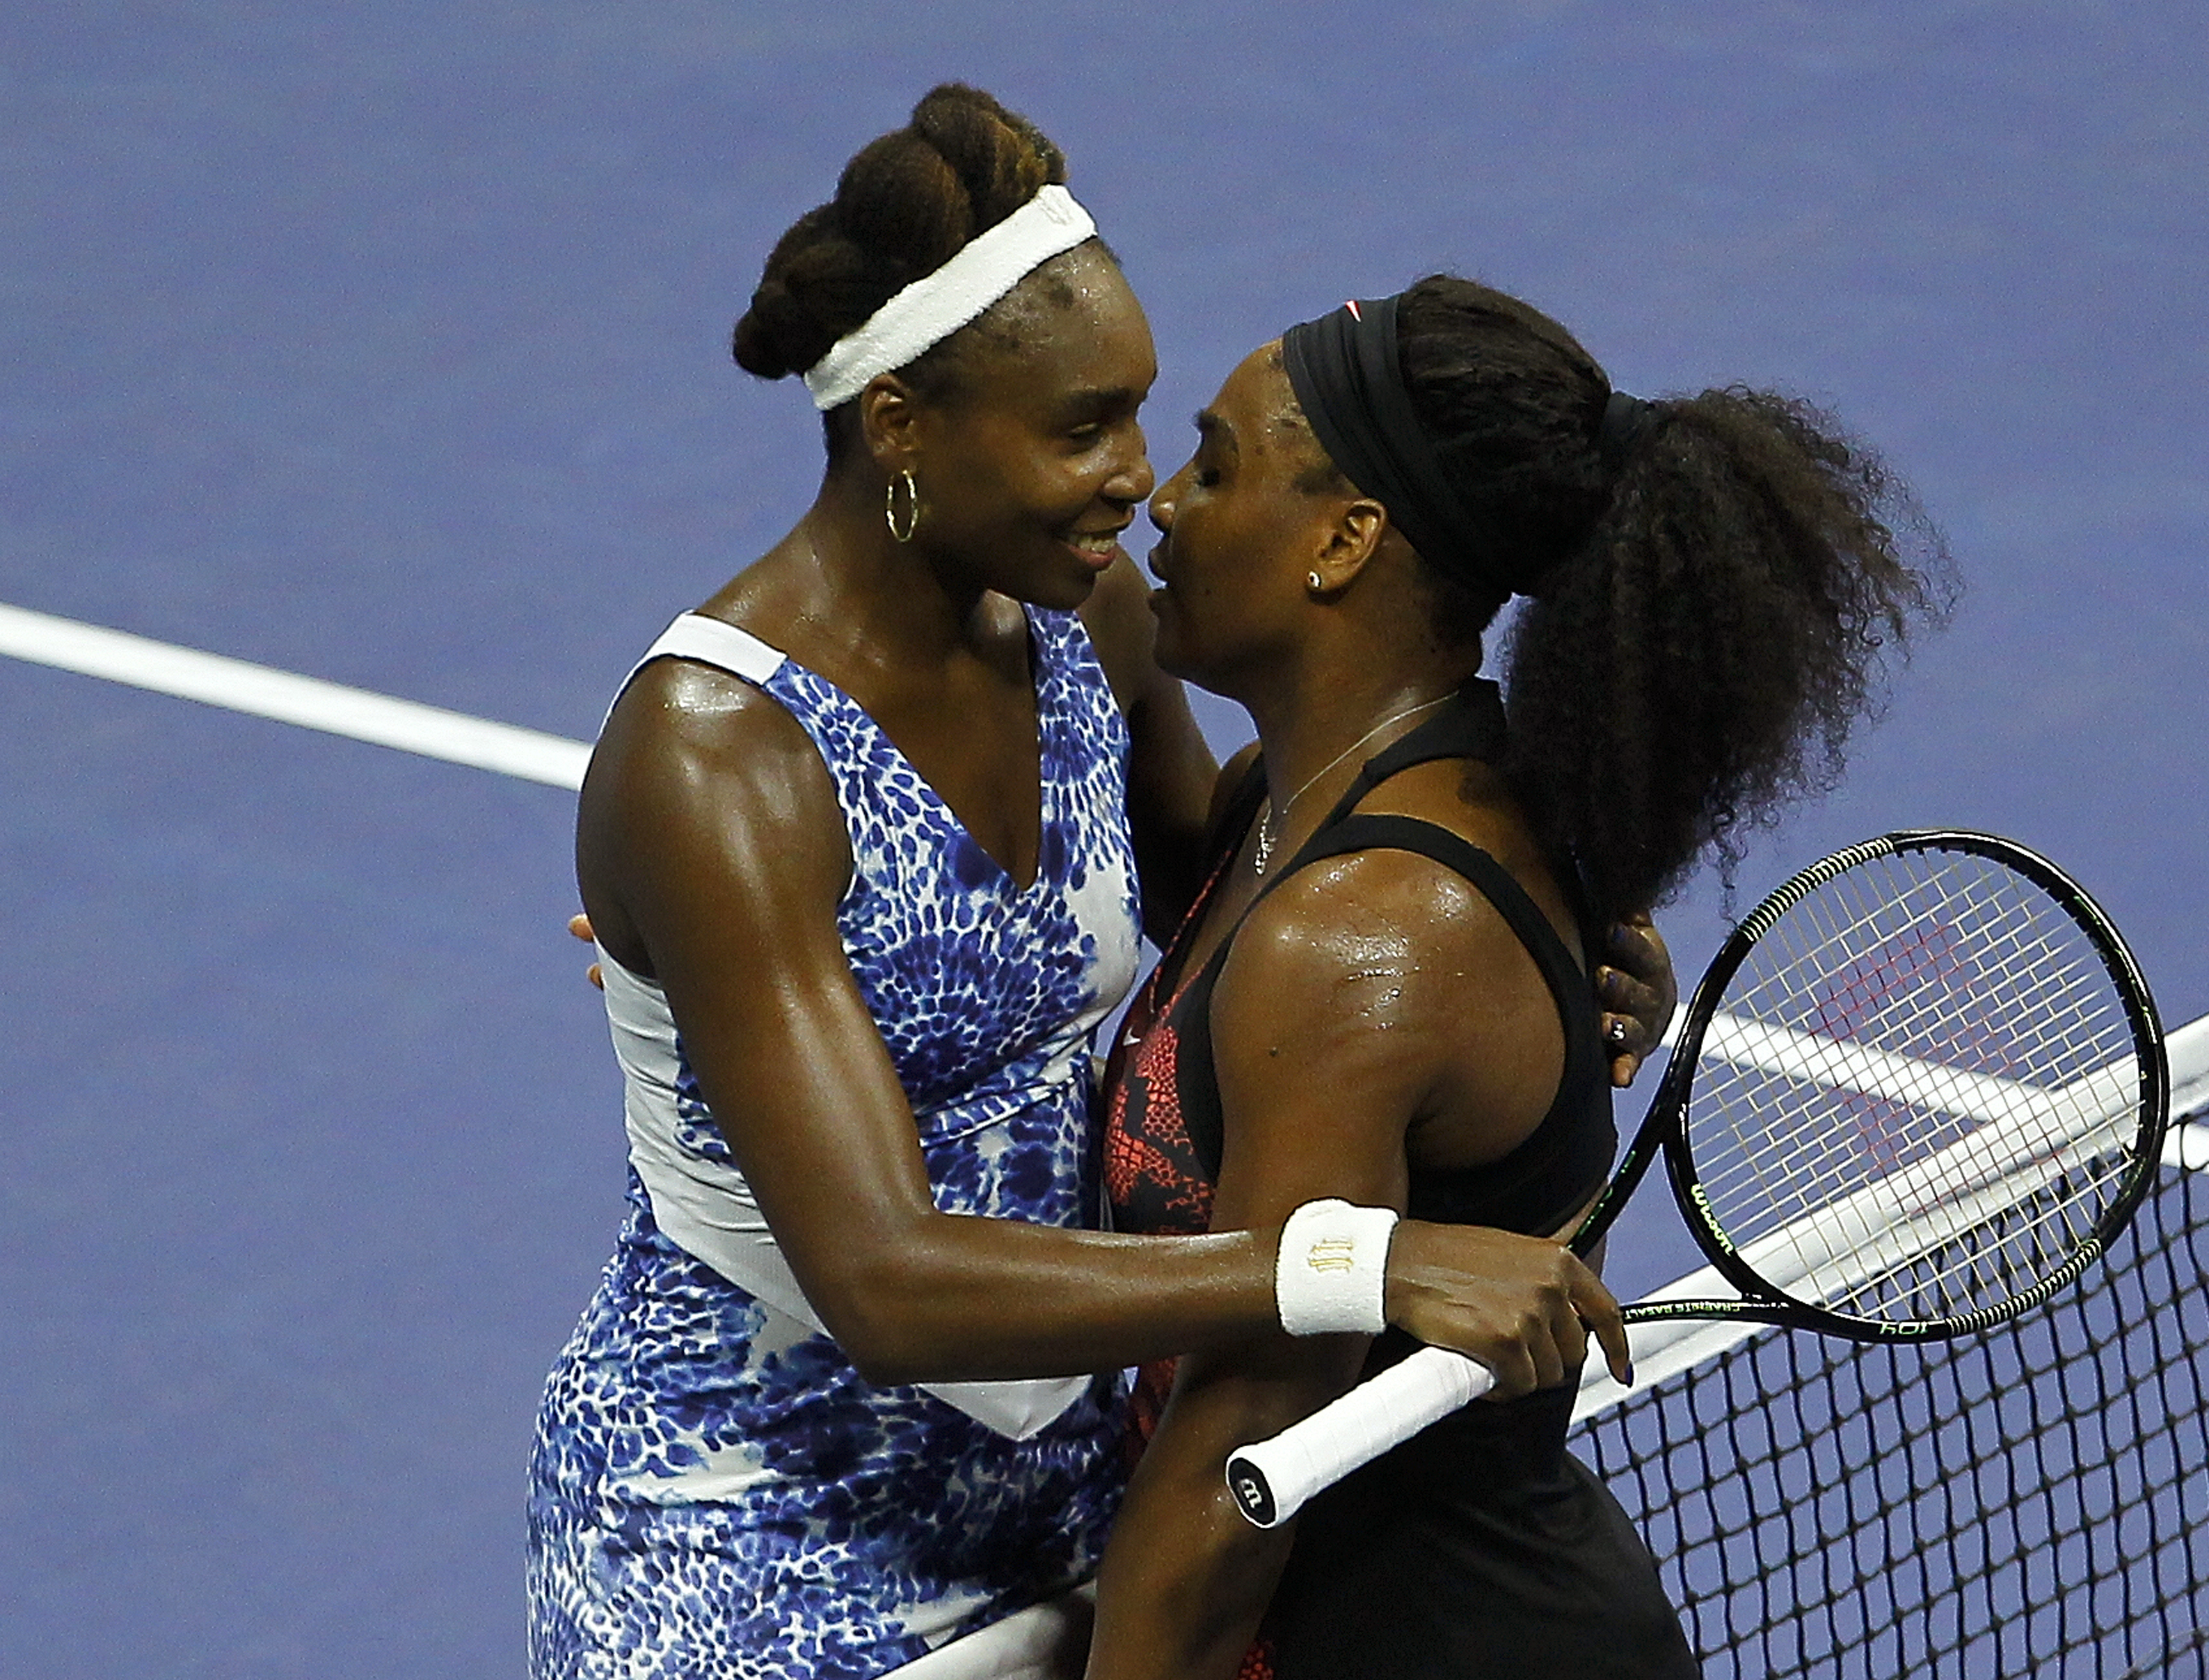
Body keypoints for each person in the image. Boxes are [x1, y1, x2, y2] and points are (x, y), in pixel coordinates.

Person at [527, 88, 1671, 1680]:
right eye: (1080, 428)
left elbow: (1227, 889)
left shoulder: (1089, 625)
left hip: (1068, 1479)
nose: (1136, 478)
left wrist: (1532, 951)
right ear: (902, 428)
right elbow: (885, 1280)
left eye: (1139, 414)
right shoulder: (717, 758)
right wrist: (1365, 1256)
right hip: (759, 1529)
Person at [1084, 279, 1951, 1679]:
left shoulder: (1361, 936)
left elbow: (1236, 1460)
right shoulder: (1311, 802)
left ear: (1344, 541)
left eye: (1216, 464)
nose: (1162, 503)